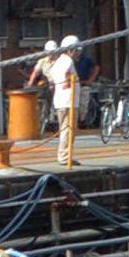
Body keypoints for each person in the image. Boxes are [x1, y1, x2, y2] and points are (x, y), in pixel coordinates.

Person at [42, 32, 85, 167]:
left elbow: (52, 75)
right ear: (71, 50)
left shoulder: (58, 61)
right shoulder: (67, 61)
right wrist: (68, 79)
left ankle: (64, 155)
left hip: (61, 100)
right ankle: (65, 156)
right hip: (68, 101)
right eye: (77, 51)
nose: (79, 54)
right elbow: (67, 74)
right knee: (68, 129)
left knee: (65, 128)